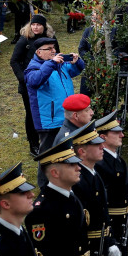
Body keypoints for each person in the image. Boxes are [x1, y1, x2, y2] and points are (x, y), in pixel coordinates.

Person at [25, 138, 91, 256]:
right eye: (71, 165)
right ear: (55, 172)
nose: (78, 168)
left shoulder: (73, 197)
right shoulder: (42, 210)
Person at [24, 37, 85, 184]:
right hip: (48, 121)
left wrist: (77, 62)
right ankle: (44, 185)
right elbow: (35, 80)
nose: (53, 51)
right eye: (49, 49)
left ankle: (64, 179)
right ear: (39, 52)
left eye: (54, 48)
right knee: (48, 155)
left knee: (68, 150)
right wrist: (51, 63)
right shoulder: (33, 68)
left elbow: (75, 70)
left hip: (65, 117)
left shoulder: (59, 64)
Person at [70, 121, 121, 256]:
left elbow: (104, 214)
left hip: (103, 244)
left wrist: (111, 241)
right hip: (91, 249)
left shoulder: (94, 174)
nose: (102, 146)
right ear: (82, 151)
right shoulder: (79, 181)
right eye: (96, 144)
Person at [94, 111, 128, 256]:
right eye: (116, 132)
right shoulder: (101, 164)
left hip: (121, 224)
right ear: (103, 137)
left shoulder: (117, 159)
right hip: (111, 226)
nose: (122, 135)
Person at [10, 14, 55, 155]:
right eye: (33, 24)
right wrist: (23, 78)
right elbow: (14, 61)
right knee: (31, 114)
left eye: (38, 25)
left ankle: (48, 140)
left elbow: (56, 55)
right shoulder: (24, 40)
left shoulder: (50, 40)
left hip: (46, 83)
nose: (35, 27)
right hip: (28, 85)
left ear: (44, 26)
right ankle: (33, 144)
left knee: (46, 111)